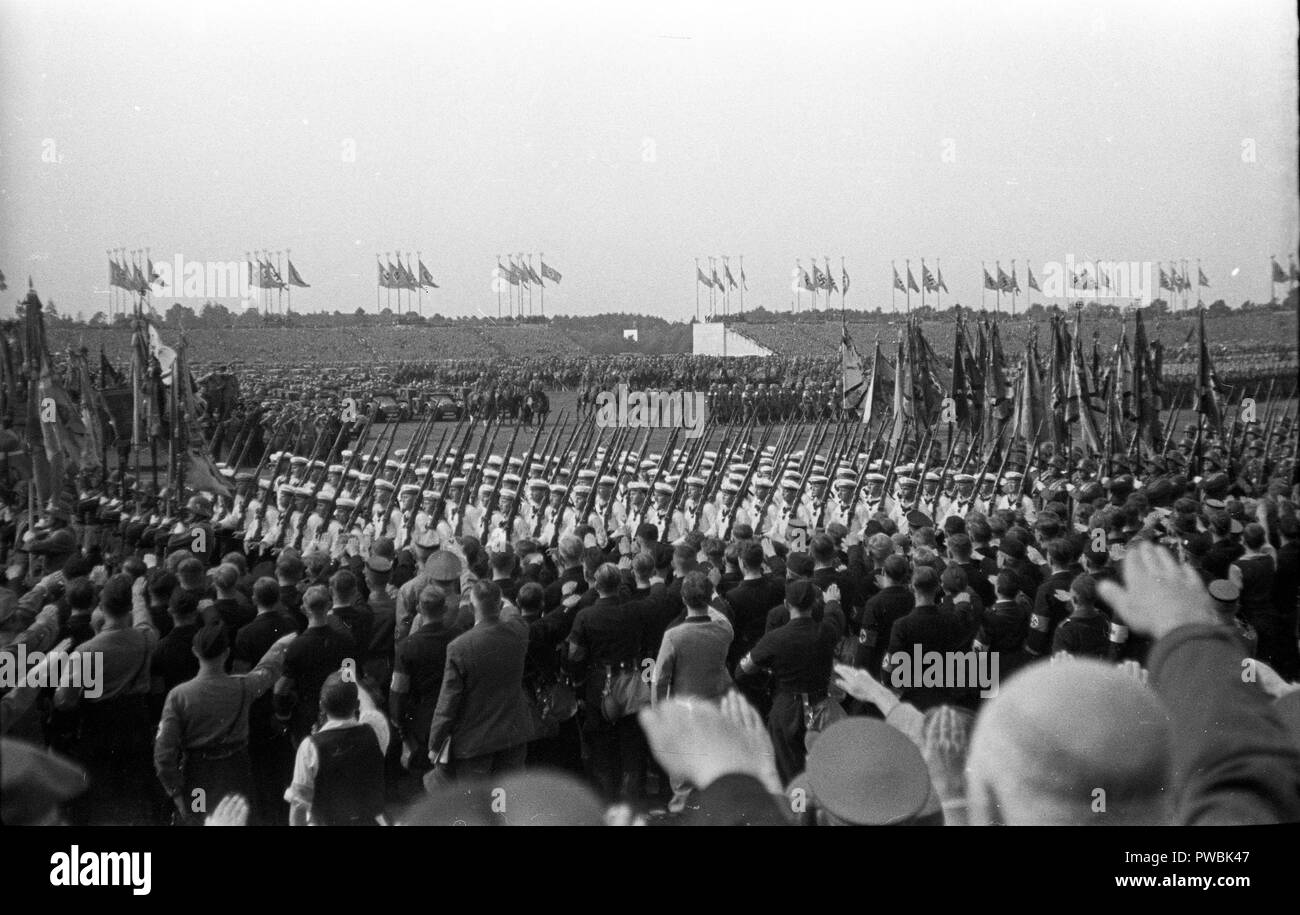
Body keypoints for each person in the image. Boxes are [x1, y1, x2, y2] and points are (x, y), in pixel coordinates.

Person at [153, 621, 296, 824]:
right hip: (236, 773)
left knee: (200, 818)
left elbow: (163, 754)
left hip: (199, 776)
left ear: (195, 652)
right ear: (226, 653)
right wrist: (283, 643)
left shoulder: (179, 696)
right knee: (240, 818)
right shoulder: (243, 687)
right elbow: (268, 670)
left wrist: (177, 796)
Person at [426, 580, 532, 780]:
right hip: (513, 734)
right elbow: (515, 614)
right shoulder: (519, 632)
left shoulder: (459, 647)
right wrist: (504, 604)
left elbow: (448, 702)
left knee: (475, 804)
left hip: (475, 741)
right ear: (499, 606)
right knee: (508, 800)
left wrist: (435, 743)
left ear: (470, 607)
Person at [738, 579, 838, 782]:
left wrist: (765, 678)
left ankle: (797, 809)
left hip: (786, 706)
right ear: (814, 604)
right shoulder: (827, 631)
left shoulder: (775, 638)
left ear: (786, 604)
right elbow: (834, 616)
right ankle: (817, 810)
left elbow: (743, 670)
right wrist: (833, 602)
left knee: (789, 771)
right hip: (821, 706)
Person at [285, 672, 391, 825]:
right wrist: (351, 676)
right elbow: (369, 709)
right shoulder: (375, 731)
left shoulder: (310, 747)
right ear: (356, 705)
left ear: (321, 705)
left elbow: (298, 805)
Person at [274, 584, 357, 743]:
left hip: (306, 710)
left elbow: (281, 688)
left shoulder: (296, 646)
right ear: (329, 606)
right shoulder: (345, 641)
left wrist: (282, 715)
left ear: (304, 609)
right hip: (337, 708)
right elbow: (349, 678)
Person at [652, 571, 734, 704]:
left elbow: (659, 680)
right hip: (718, 706)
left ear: (683, 599)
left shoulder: (672, 637)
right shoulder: (725, 629)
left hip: (687, 710)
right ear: (709, 599)